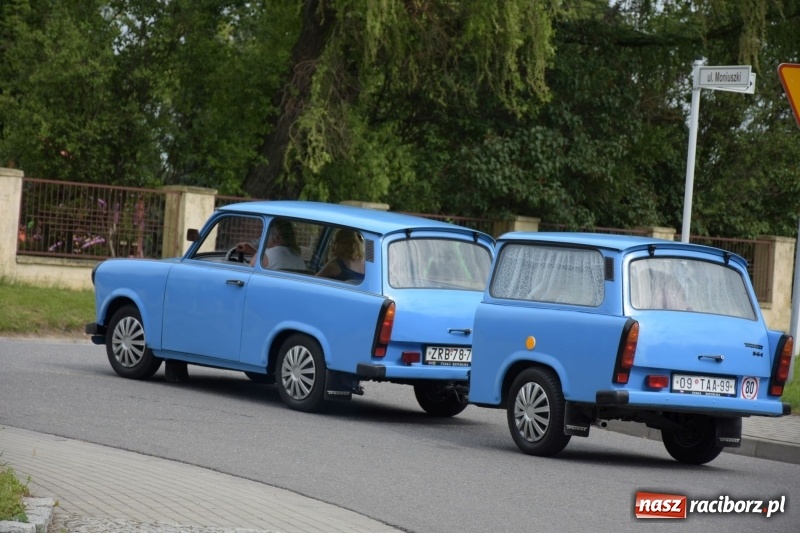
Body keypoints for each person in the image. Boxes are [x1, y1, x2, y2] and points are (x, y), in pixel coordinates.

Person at [236, 219, 306, 270]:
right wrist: (253, 251)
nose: (262, 236)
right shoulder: (298, 258)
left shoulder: (265, 256)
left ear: (275, 237)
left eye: (266, 232)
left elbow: (249, 274)